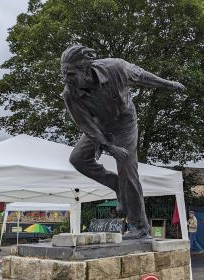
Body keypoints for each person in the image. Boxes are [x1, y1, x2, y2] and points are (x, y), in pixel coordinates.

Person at [60, 45, 185, 239]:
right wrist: (108, 146)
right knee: (77, 159)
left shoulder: (116, 68)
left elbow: (143, 76)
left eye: (70, 74)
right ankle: (118, 185)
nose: (66, 79)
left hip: (124, 124)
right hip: (99, 126)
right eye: (64, 74)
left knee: (127, 169)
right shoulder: (70, 93)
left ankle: (140, 226)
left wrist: (169, 84)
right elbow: (84, 123)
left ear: (86, 70)